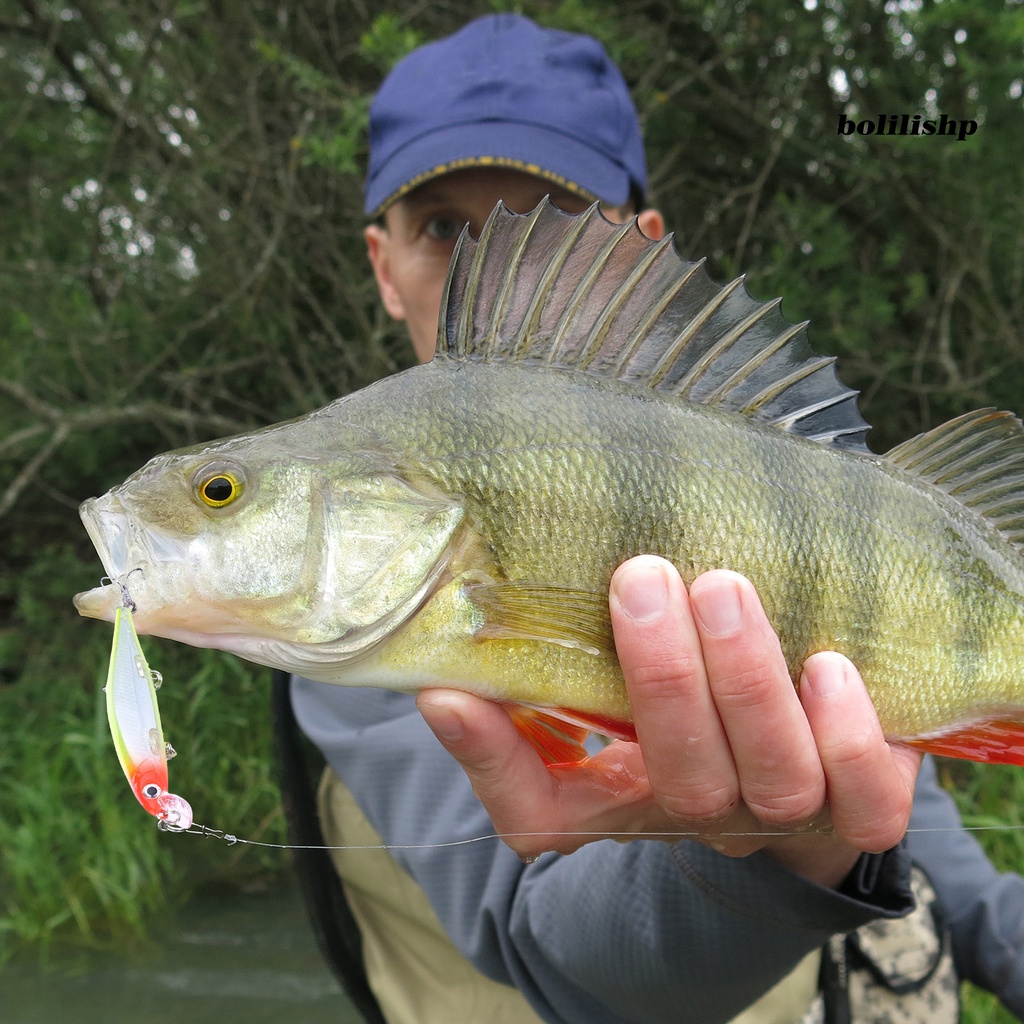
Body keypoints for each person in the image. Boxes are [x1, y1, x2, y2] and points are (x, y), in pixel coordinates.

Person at [286, 13, 1024, 1023]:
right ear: (383, 263)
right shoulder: (355, 625)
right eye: (445, 228)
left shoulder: (808, 498)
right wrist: (782, 850)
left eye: (551, 220)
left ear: (643, 247)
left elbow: (929, 838)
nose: (495, 261)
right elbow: (555, 952)